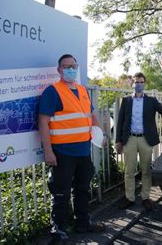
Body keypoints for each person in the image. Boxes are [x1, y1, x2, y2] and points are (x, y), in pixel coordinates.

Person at [38, 54, 106, 243]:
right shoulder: (52, 91)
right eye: (66, 66)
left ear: (77, 68)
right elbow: (43, 122)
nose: (70, 69)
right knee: (61, 193)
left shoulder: (83, 90)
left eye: (73, 66)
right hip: (62, 153)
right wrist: (48, 151)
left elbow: (92, 115)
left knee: (83, 189)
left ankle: (82, 223)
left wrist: (101, 134)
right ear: (59, 70)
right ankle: (58, 229)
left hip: (84, 151)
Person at [116, 72, 162, 210]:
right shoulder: (126, 101)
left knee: (146, 170)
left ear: (145, 84)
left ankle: (145, 197)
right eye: (137, 82)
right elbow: (120, 122)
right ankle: (129, 198)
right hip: (130, 139)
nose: (139, 84)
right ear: (133, 83)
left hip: (145, 139)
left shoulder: (151, 101)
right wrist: (118, 140)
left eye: (141, 82)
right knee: (129, 171)